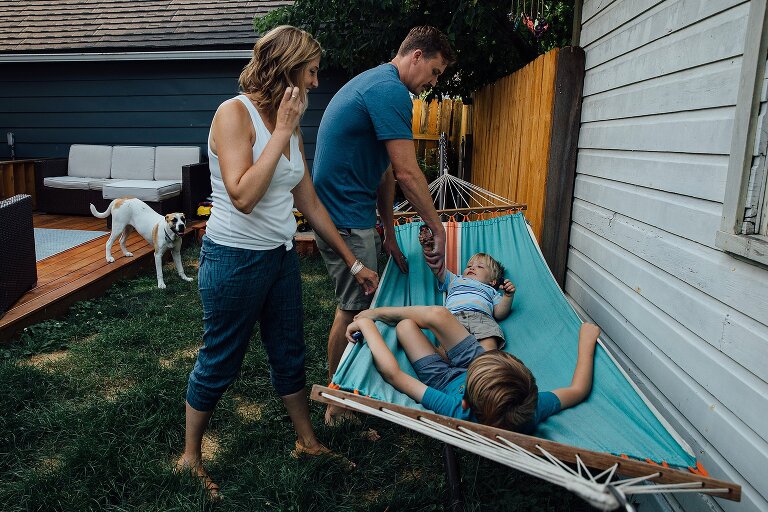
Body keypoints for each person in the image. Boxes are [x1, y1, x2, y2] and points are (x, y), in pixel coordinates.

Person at [176, 25, 378, 498]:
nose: (314, 82)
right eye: (310, 72)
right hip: (232, 261)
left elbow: (307, 200)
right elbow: (243, 194)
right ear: (286, 67)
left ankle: (306, 441)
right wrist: (282, 130)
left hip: (280, 259)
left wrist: (352, 262)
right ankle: (189, 456)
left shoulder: (293, 122)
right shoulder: (235, 114)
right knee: (220, 360)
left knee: (289, 351)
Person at [312, 26, 457, 424]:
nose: (433, 82)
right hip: (342, 216)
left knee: (360, 306)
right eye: (435, 71)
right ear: (416, 56)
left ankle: (343, 395)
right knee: (354, 310)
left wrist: (390, 232)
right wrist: (439, 228)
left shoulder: (380, 84)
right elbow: (410, 174)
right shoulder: (389, 90)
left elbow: (389, 171)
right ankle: (337, 404)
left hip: (352, 212)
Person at [347, 306, 600, 433]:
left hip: (443, 378)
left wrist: (367, 325)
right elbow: (578, 389)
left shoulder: (456, 410)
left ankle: (378, 314)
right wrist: (586, 342)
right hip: (483, 368)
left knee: (405, 327)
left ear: (465, 404)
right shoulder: (529, 408)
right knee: (438, 314)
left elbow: (394, 374)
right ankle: (383, 315)